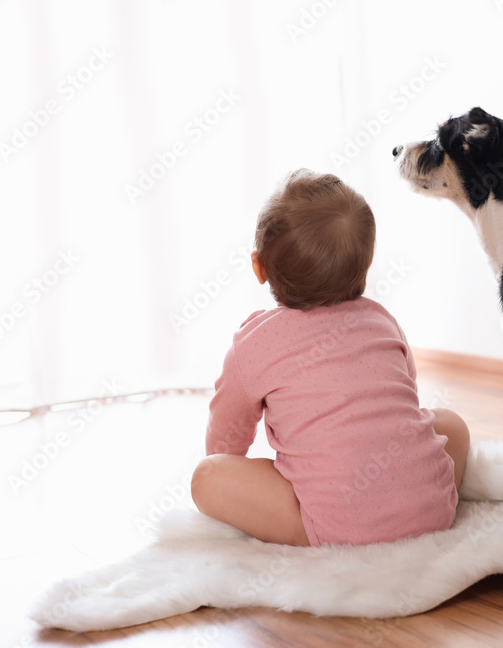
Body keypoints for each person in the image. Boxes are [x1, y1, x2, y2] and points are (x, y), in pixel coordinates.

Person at [190, 169, 469, 547]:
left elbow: (227, 434)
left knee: (207, 476)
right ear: (365, 265)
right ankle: (418, 503)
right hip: (434, 511)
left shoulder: (254, 342)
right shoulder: (381, 320)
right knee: (452, 424)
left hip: (336, 525)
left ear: (259, 268)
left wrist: (231, 466)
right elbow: (406, 400)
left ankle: (345, 527)